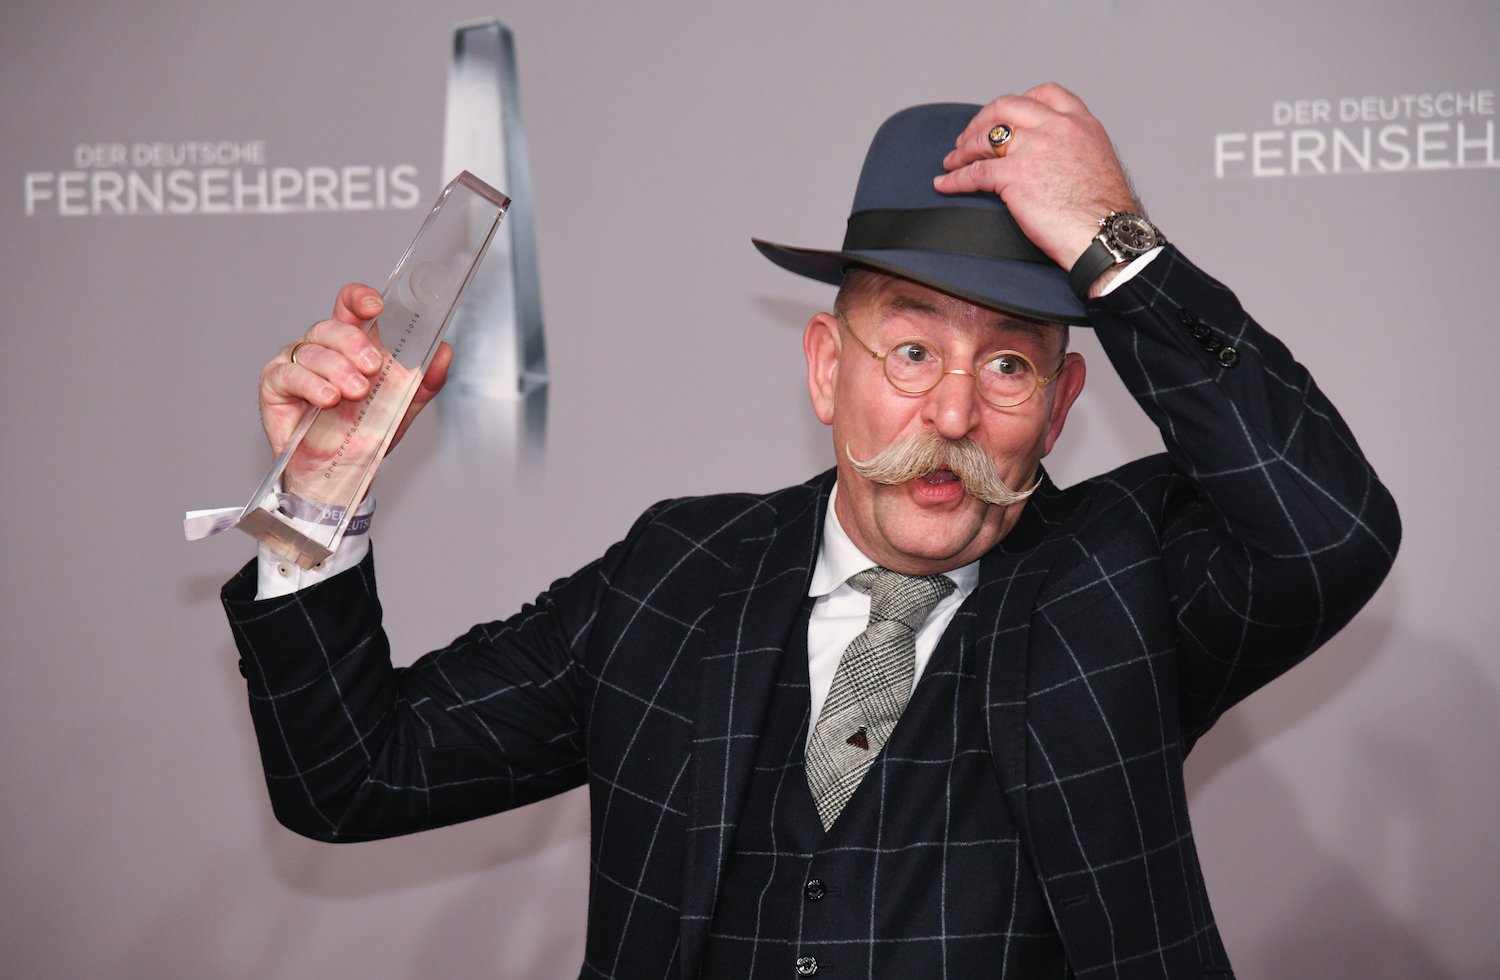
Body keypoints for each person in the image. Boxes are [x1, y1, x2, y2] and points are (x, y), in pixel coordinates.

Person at [223, 84, 1400, 978]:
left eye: (1006, 363)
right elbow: (356, 777)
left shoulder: (1128, 575)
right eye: (911, 347)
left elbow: (1334, 527)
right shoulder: (675, 573)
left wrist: (1117, 245)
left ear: (1059, 405)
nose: (950, 412)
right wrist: (316, 499)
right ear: (827, 369)